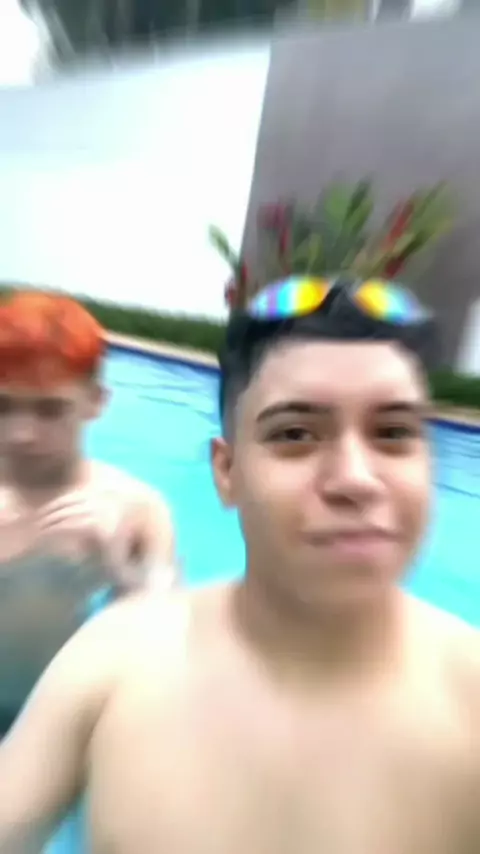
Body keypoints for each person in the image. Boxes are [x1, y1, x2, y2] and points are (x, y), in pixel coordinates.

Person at [0, 275, 479, 854]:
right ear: (225, 472)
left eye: (394, 433)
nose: (355, 478)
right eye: (295, 433)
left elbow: (158, 586)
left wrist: (120, 568)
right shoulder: (111, 663)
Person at [0, 289, 177, 735]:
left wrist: (121, 568)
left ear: (96, 401)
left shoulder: (135, 508)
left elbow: (171, 637)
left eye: (50, 410)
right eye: (3, 406)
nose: (21, 433)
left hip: (59, 723)